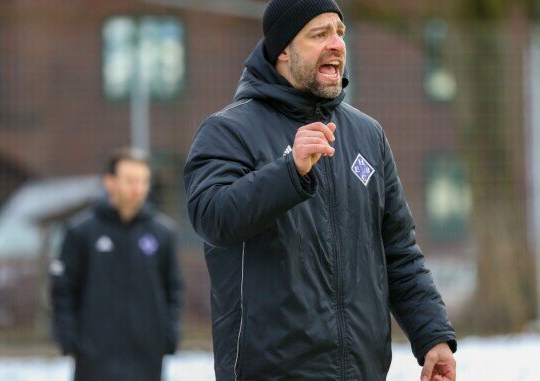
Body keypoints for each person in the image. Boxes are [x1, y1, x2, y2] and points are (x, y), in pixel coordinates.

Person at [184, 0, 457, 379]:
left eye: (340, 33)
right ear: (282, 50)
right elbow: (211, 217)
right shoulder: (228, 131)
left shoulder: (367, 134)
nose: (337, 44)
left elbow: (399, 252)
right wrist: (289, 172)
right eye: (319, 34)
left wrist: (432, 335)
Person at [51, 147, 183, 381]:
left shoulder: (163, 234)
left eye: (144, 181)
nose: (138, 188)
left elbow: (174, 288)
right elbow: (63, 289)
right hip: (94, 359)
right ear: (110, 182)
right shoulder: (81, 232)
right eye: (131, 180)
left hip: (147, 357)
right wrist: (70, 339)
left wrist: (169, 336)